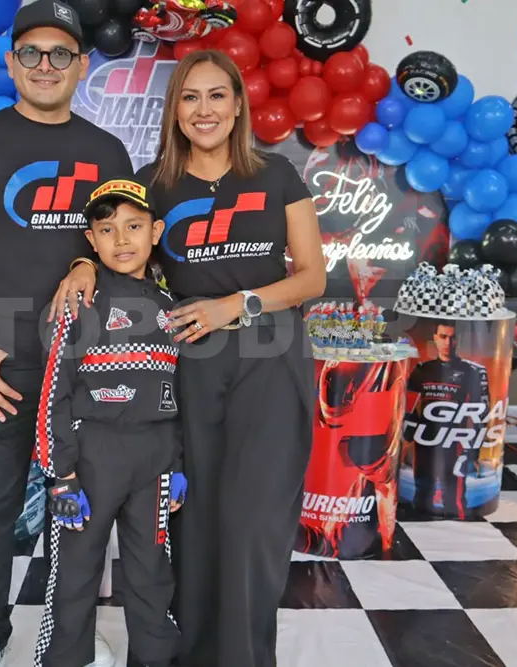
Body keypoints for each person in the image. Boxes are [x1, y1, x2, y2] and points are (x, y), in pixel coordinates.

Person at [64, 50, 326, 667]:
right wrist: (81, 263)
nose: (203, 110)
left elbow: (312, 278)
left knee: (253, 524)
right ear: (175, 110)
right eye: (189, 97)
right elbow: (115, 239)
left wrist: (236, 303)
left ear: (237, 105)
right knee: (193, 522)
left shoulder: (278, 175)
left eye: (216, 95)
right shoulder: (154, 183)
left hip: (270, 360)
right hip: (188, 369)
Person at [0, 1, 133, 665]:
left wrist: (85, 263)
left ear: (81, 65)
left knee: (83, 507)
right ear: (11, 64)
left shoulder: (107, 152)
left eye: (60, 53)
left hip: (90, 362)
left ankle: (71, 632)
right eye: (32, 53)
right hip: (0, 366)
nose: (45, 65)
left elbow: (126, 249)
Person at [35, 178, 187, 667]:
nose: (121, 240)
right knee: (75, 571)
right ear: (91, 239)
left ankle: (155, 657)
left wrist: (176, 464)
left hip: (155, 460)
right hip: (92, 457)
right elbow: (53, 392)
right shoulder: (77, 301)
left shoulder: (170, 308)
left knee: (152, 570)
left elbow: (176, 393)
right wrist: (61, 475)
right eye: (107, 229)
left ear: (155, 232)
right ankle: (65, 659)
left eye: (134, 226)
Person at [404, 321, 489, 519]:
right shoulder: (422, 370)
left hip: (456, 442)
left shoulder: (473, 372)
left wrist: (474, 448)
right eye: (443, 337)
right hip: (425, 441)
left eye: (452, 338)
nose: (448, 343)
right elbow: (408, 407)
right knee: (422, 493)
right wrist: (406, 438)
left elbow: (482, 413)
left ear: (458, 340)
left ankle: (455, 531)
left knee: (454, 499)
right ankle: (419, 529)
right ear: (435, 338)